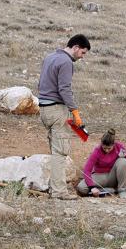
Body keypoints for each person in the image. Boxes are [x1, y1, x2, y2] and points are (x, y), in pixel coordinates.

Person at [37, 34, 90, 200]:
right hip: (57, 110)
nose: (82, 57)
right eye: (82, 52)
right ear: (75, 47)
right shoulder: (66, 62)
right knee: (60, 152)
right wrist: (74, 111)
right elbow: (65, 89)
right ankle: (59, 192)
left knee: (55, 149)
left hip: (44, 109)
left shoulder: (50, 57)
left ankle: (55, 188)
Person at [76, 129, 126, 198]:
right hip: (100, 177)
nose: (106, 150)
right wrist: (92, 187)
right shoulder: (97, 150)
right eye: (104, 148)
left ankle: (122, 190)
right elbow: (87, 170)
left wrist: (125, 157)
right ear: (101, 144)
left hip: (114, 177)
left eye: (109, 148)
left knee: (123, 161)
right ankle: (107, 190)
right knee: (81, 187)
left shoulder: (119, 147)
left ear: (113, 144)